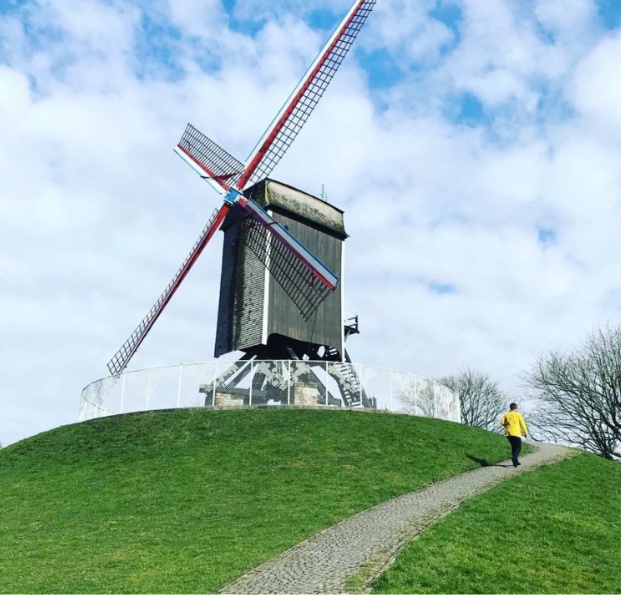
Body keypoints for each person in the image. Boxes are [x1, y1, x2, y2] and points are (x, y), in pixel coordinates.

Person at [500, 403, 528, 467]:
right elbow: (523, 424)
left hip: (509, 433)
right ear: (516, 408)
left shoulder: (506, 414)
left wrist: (506, 425)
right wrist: (525, 433)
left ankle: (515, 462)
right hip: (516, 433)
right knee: (518, 447)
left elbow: (502, 422)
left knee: (513, 447)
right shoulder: (518, 415)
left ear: (510, 408)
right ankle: (514, 458)